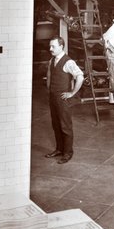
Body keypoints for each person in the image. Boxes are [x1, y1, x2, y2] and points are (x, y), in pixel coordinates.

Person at [45, 36, 83, 164]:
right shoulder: (52, 60)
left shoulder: (68, 62)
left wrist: (72, 93)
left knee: (65, 126)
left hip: (62, 99)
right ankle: (59, 149)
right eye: (50, 46)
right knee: (56, 125)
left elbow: (80, 77)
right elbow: (50, 77)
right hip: (53, 97)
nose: (50, 49)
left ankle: (67, 153)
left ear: (61, 46)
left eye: (53, 46)